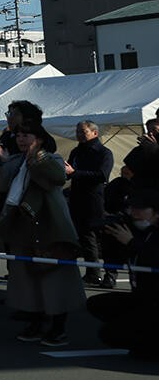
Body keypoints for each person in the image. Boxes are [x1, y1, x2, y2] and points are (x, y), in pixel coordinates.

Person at [0, 125, 82, 347]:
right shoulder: (16, 160)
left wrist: (36, 157)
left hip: (51, 228)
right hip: (24, 228)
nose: (21, 139)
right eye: (19, 136)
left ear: (40, 139)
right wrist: (2, 161)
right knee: (28, 282)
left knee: (57, 282)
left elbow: (57, 177)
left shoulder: (52, 158)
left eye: (27, 135)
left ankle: (58, 328)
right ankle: (35, 322)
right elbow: (1, 185)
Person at [92, 193, 159, 358]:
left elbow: (153, 257)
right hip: (141, 296)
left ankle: (149, 342)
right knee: (97, 304)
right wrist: (111, 238)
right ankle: (142, 335)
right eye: (132, 208)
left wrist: (131, 242)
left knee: (112, 334)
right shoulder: (135, 231)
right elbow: (116, 259)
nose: (134, 212)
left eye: (141, 209)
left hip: (155, 300)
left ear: (156, 213)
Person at [66, 120, 115, 287]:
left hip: (95, 200)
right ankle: (92, 272)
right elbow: (68, 173)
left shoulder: (104, 152)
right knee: (86, 238)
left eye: (83, 131)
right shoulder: (76, 151)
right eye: (78, 131)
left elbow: (102, 175)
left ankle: (111, 273)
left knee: (103, 238)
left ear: (95, 133)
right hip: (77, 198)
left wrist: (75, 173)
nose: (79, 134)